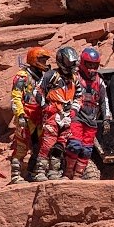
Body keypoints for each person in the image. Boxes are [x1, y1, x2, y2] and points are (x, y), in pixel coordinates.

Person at [32, 47, 79, 182]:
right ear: (61, 61)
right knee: (48, 143)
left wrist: (74, 110)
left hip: (67, 115)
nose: (72, 65)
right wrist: (45, 107)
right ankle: (39, 171)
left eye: (73, 62)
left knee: (61, 144)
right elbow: (37, 91)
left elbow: (79, 96)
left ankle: (54, 171)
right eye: (69, 62)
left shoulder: (74, 78)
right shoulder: (51, 75)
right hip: (52, 114)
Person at [64, 47, 110, 180]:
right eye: (89, 65)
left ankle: (78, 176)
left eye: (95, 65)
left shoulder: (99, 81)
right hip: (76, 117)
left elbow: (104, 100)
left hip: (91, 119)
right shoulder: (75, 77)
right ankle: (68, 172)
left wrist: (106, 118)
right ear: (83, 63)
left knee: (86, 150)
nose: (92, 69)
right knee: (74, 145)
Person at [9, 47, 51, 184]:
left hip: (39, 116)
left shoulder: (44, 77)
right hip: (26, 116)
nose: (44, 63)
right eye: (42, 60)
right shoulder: (22, 76)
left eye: (45, 60)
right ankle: (16, 175)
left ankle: (34, 173)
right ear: (34, 59)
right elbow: (16, 96)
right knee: (21, 146)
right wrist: (20, 115)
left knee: (39, 146)